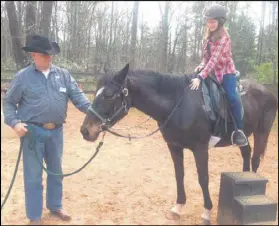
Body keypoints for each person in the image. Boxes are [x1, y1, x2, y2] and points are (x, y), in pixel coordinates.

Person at [3, 34, 91, 225]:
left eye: (50, 54)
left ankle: (55, 205)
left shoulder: (64, 75)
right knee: (33, 175)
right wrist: (15, 122)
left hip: (57, 132)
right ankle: (34, 216)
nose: (49, 57)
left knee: (56, 171)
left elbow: (78, 97)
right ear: (34, 55)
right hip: (33, 133)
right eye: (45, 54)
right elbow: (9, 102)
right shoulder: (22, 77)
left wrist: (96, 112)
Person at [189, 3, 248, 147]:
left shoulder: (224, 38)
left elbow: (214, 60)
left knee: (232, 97)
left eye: (213, 21)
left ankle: (238, 131)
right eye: (208, 21)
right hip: (211, 70)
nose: (210, 24)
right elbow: (206, 58)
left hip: (225, 72)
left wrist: (201, 76)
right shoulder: (208, 37)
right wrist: (201, 65)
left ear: (220, 22)